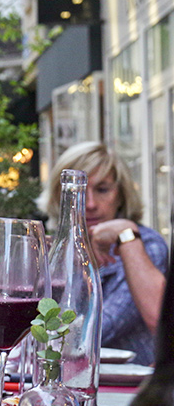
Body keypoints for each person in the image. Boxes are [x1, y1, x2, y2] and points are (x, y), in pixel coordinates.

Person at [40, 141, 168, 366]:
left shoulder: (144, 245)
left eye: (102, 189)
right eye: (76, 191)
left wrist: (125, 234)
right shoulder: (52, 249)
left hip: (126, 393)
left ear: (121, 194)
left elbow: (93, 334)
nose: (89, 203)